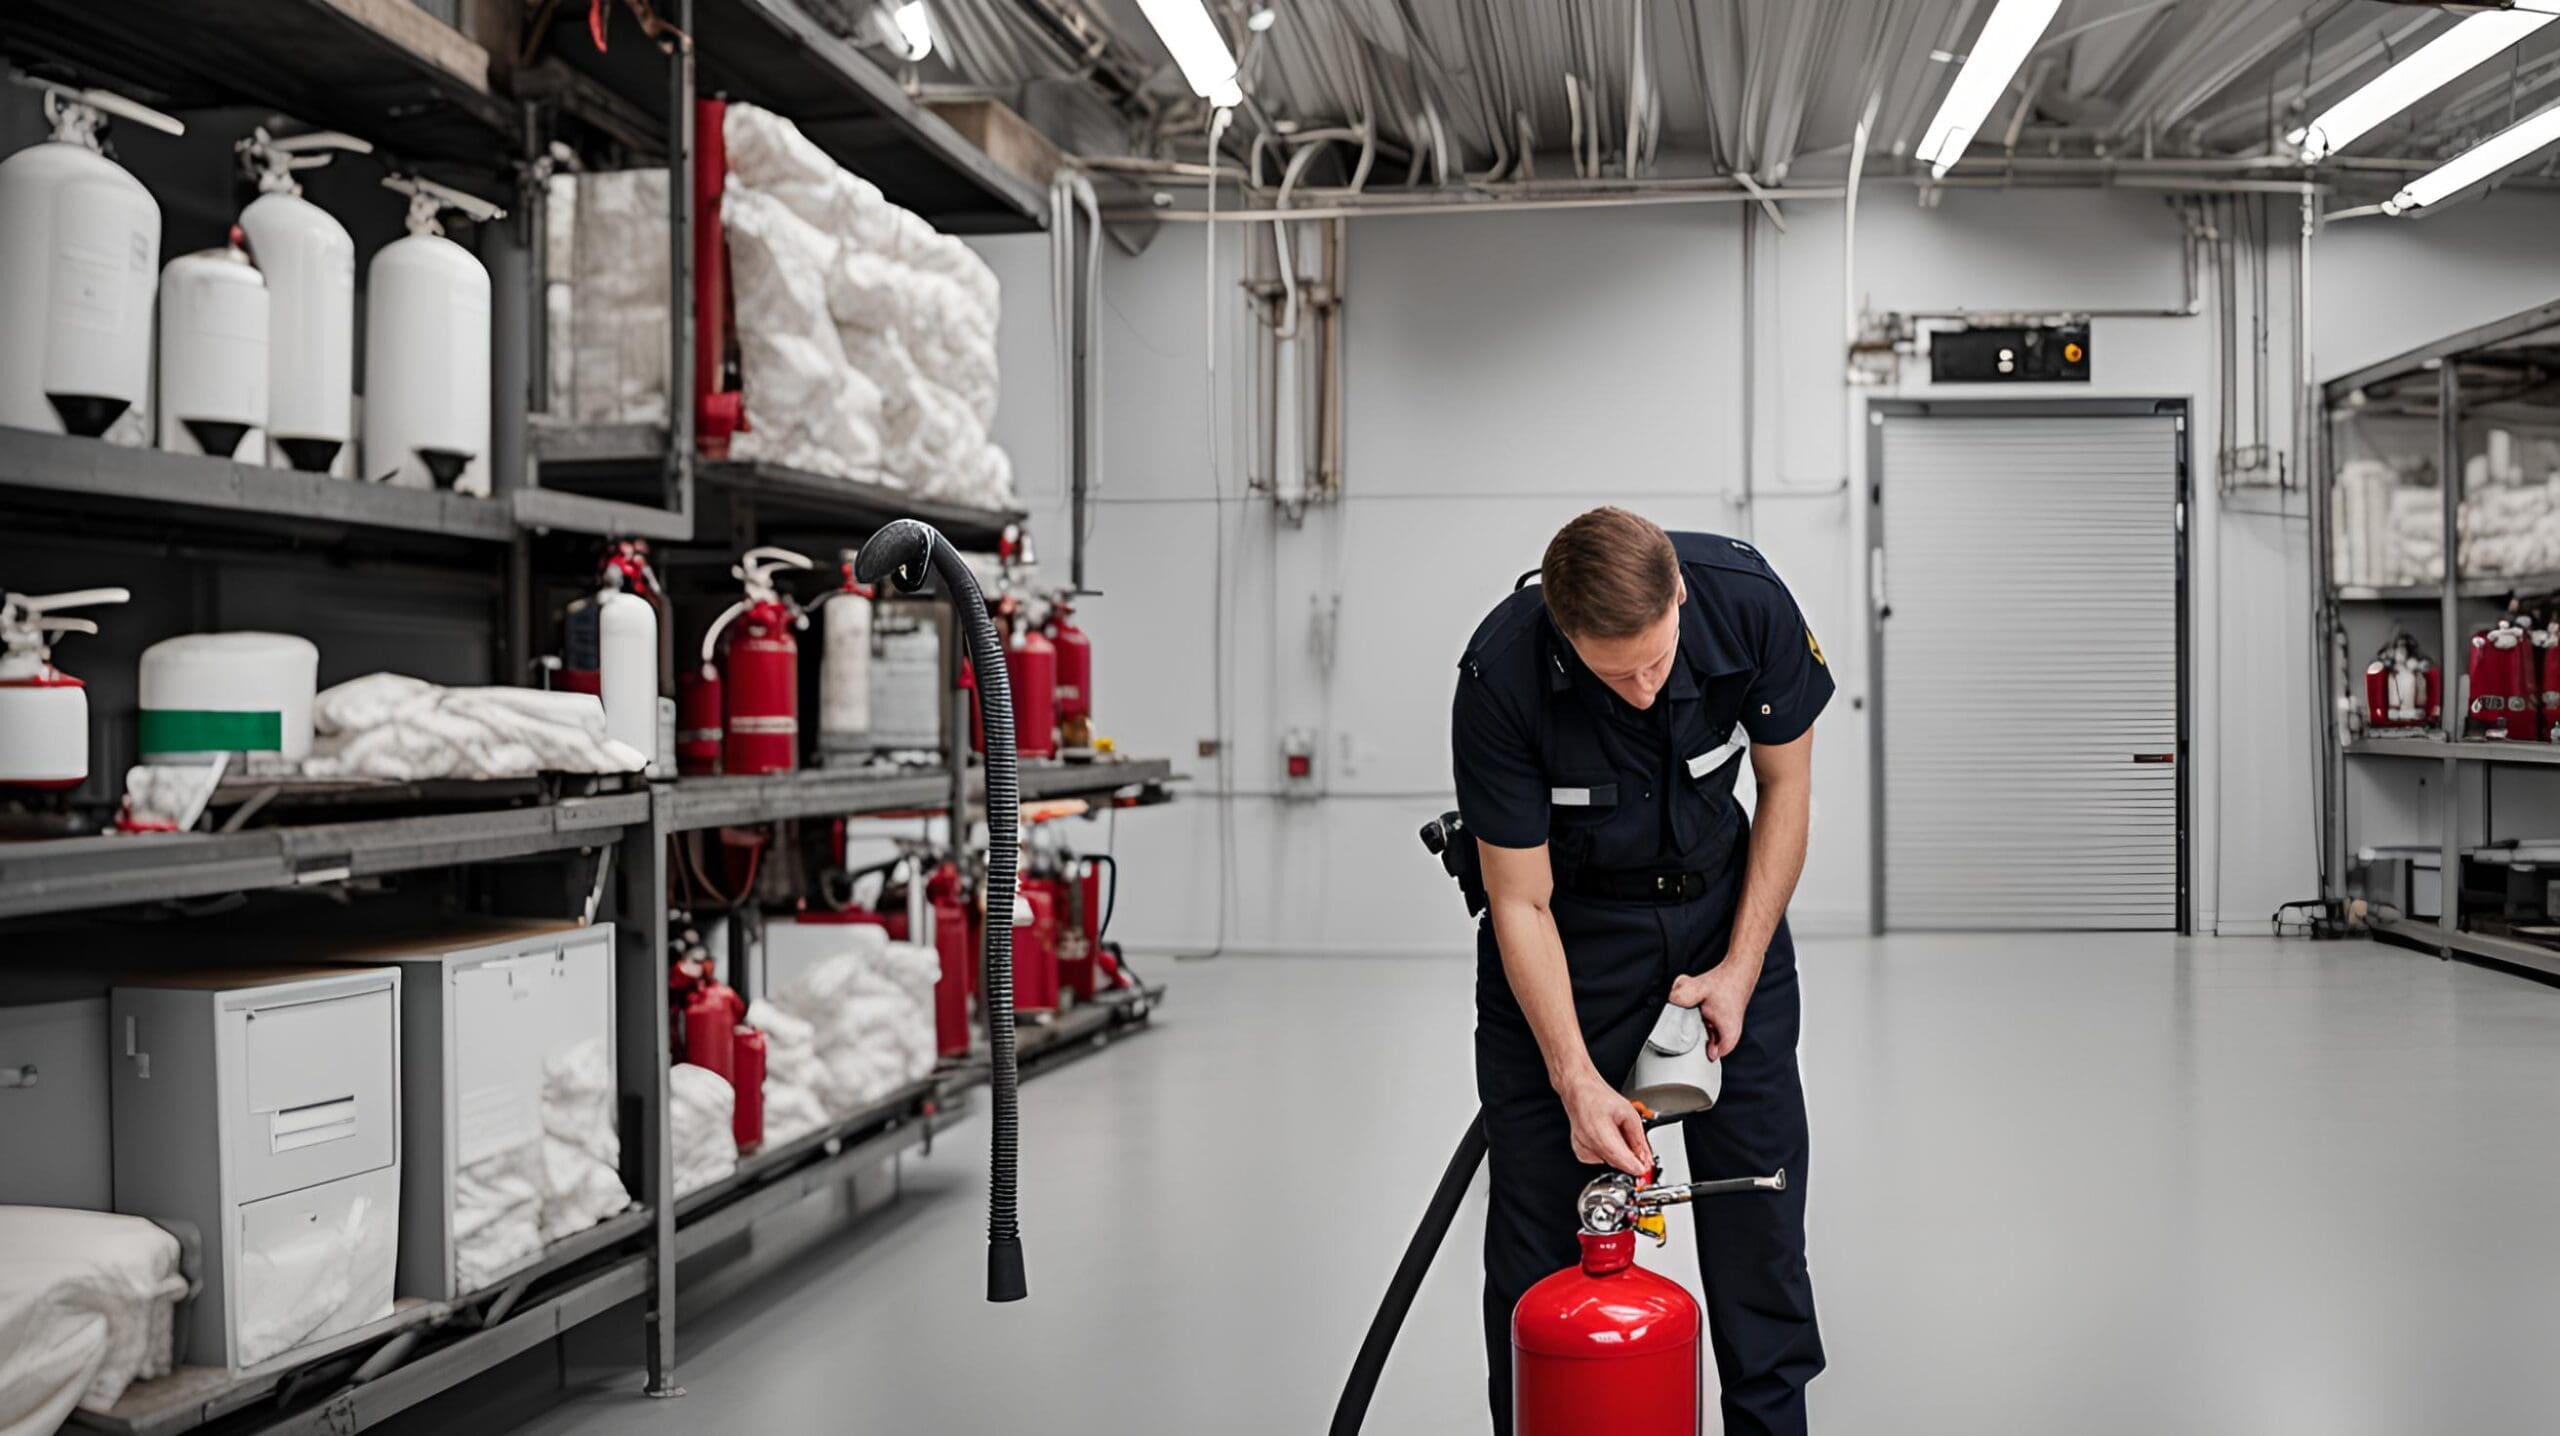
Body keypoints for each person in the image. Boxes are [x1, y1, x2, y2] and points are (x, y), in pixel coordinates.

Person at [1451, 505, 1830, 1434]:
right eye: (1614, 672)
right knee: (1541, 1237)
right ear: (1564, 633)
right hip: (1568, 938)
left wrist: (1741, 968)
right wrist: (1576, 1080)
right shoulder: (1501, 674)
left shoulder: (1749, 606)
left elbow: (1784, 786)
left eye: (1657, 661)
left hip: (1723, 919)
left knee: (1762, 1226)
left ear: (1681, 599)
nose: (1643, 688)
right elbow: (1519, 901)